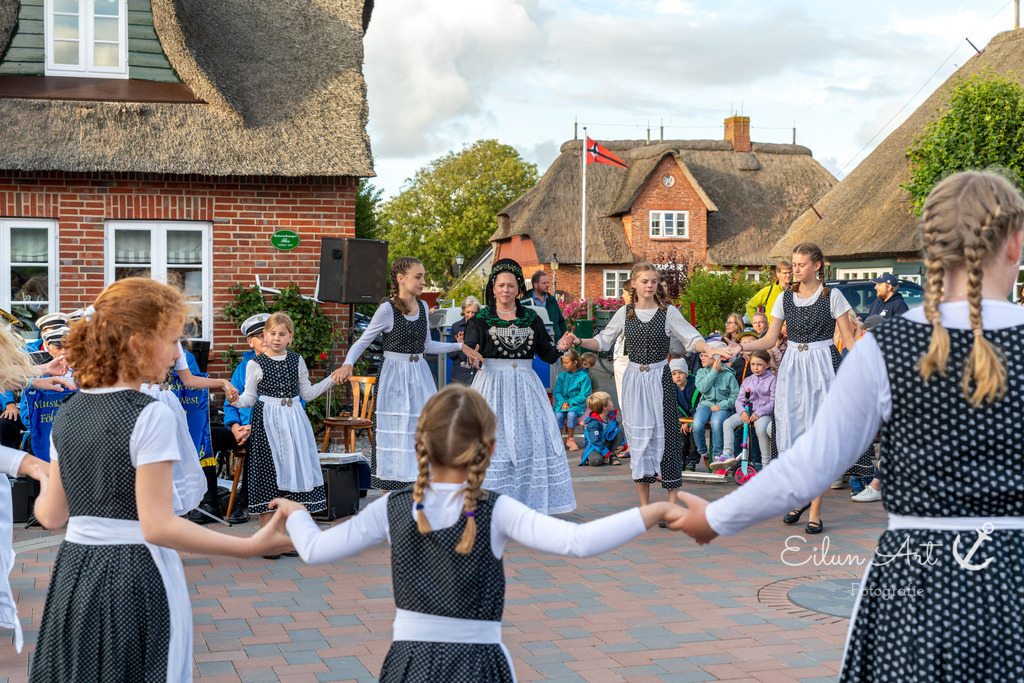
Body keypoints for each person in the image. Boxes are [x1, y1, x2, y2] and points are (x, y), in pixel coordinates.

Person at [673, 170, 1024, 682]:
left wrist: (719, 516)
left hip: (915, 577)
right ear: (1016, 243)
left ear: (929, 247)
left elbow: (810, 463)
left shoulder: (886, 349)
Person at [273, 385, 685, 682]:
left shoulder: (392, 507)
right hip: (480, 665)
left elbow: (313, 549)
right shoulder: (495, 509)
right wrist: (653, 512)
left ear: (422, 444)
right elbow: (577, 542)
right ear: (488, 449)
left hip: (409, 665)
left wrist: (295, 513)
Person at [29, 278, 290, 682]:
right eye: (171, 341)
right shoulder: (151, 414)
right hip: (136, 571)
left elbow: (51, 515)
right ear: (137, 344)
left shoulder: (69, 412)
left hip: (75, 572)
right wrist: (250, 546)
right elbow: (158, 525)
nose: (176, 354)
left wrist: (42, 472)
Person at [562, 262, 733, 513]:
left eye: (653, 281)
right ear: (634, 284)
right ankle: (644, 507)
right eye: (644, 281)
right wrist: (578, 340)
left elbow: (691, 337)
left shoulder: (668, 312)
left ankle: (672, 505)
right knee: (639, 438)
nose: (649, 285)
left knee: (668, 436)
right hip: (633, 379)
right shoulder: (625, 312)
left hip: (659, 377)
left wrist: (709, 348)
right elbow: (602, 341)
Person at [730, 242, 863, 534]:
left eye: (801, 264)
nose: (795, 270)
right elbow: (770, 339)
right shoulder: (784, 298)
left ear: (817, 266)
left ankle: (815, 510)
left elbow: (850, 341)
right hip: (793, 367)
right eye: (793, 264)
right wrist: (741, 346)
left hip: (824, 365)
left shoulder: (833, 296)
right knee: (792, 435)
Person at [336, 257, 481, 491]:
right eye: (419, 276)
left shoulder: (423, 307)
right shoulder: (387, 309)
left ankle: (420, 495)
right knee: (395, 435)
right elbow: (362, 342)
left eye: (423, 276)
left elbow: (427, 346)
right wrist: (348, 364)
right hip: (395, 376)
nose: (423, 281)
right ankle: (389, 499)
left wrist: (459, 347)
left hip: (419, 376)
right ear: (401, 279)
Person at [464, 258, 576, 514]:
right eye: (501, 285)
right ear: (493, 288)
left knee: (528, 442)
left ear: (518, 289)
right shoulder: (481, 318)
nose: (506, 290)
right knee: (493, 443)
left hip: (526, 387)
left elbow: (546, 354)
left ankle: (526, 504)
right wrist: (472, 353)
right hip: (492, 385)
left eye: (511, 286)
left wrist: (562, 346)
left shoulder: (531, 317)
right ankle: (487, 506)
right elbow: (471, 344)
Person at [233, 312, 337, 551]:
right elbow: (249, 398)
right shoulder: (254, 363)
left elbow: (307, 393)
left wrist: (332, 379)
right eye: (272, 334)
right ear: (265, 336)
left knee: (292, 471)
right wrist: (235, 400)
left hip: (294, 422)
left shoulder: (296, 360)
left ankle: (287, 538)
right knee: (268, 474)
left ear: (290, 337)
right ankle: (268, 540)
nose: (277, 338)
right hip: (266, 421)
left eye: (282, 334)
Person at [221, 313, 271, 525]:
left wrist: (255, 426)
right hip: (241, 430)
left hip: (269, 430)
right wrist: (234, 428)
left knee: (256, 439)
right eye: (260, 336)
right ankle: (209, 501)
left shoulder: (285, 363)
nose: (266, 340)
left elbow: (296, 405)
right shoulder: (242, 369)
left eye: (267, 334)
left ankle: (243, 503)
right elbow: (229, 404)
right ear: (250, 341)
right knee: (207, 435)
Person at [715, 350, 775, 471]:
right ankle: (727, 453)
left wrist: (758, 413)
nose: (756, 368)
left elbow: (773, 402)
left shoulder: (772, 380)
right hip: (747, 412)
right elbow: (739, 400)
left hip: (762, 414)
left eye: (759, 364)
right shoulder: (748, 380)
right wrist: (742, 412)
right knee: (728, 423)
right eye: (753, 364)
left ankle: (765, 464)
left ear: (767, 365)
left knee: (761, 429)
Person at [692, 341, 740, 469]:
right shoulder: (702, 372)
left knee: (717, 422)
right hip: (705, 405)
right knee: (696, 424)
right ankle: (703, 452)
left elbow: (735, 396)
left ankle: (718, 456)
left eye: (704, 355)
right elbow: (702, 388)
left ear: (717, 357)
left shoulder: (729, 375)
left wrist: (722, 405)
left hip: (722, 406)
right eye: (701, 355)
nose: (701, 357)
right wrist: (714, 371)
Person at [552, 349, 592, 451]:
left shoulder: (584, 377)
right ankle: (559, 440)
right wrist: (563, 402)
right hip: (562, 404)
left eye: (566, 362)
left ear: (575, 362)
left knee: (572, 414)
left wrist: (569, 402)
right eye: (563, 363)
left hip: (576, 405)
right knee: (558, 415)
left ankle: (570, 438)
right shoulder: (562, 376)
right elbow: (556, 392)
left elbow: (584, 395)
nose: (564, 365)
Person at [671, 358, 702, 472]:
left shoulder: (695, 385)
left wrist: (691, 421)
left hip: (695, 416)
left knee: (694, 434)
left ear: (687, 373)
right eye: (674, 374)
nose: (677, 376)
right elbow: (674, 406)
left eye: (680, 373)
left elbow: (698, 404)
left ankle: (692, 460)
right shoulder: (671, 388)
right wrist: (684, 421)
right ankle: (681, 459)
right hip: (680, 418)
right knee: (681, 435)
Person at [579, 391, 626, 466]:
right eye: (610, 400)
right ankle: (592, 456)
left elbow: (618, 431)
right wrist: (606, 453)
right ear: (605, 407)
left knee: (619, 429)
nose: (612, 402)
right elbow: (594, 441)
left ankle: (613, 455)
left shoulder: (610, 418)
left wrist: (623, 445)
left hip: (605, 444)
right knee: (596, 461)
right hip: (594, 447)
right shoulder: (593, 422)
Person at [521, 269, 566, 341]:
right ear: (535, 285)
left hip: (553, 343)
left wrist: (562, 339)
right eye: (544, 283)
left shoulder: (552, 301)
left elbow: (561, 322)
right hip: (533, 343)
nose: (547, 285)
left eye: (548, 283)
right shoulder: (525, 301)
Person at [447, 296, 481, 386]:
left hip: (478, 375)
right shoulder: (456, 327)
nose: (470, 315)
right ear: (463, 311)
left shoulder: (483, 327)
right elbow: (450, 355)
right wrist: (460, 345)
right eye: (468, 312)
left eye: (473, 312)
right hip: (460, 377)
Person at [744, 260, 792, 324]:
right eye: (785, 273)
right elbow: (750, 306)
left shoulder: (797, 290)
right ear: (777, 273)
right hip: (772, 331)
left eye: (790, 272)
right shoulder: (768, 291)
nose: (788, 275)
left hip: (792, 332)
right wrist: (756, 323)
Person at [612, 287, 632, 406]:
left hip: (638, 362)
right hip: (622, 358)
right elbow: (615, 336)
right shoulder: (623, 311)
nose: (622, 297)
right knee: (623, 398)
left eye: (624, 293)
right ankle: (626, 423)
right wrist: (616, 357)